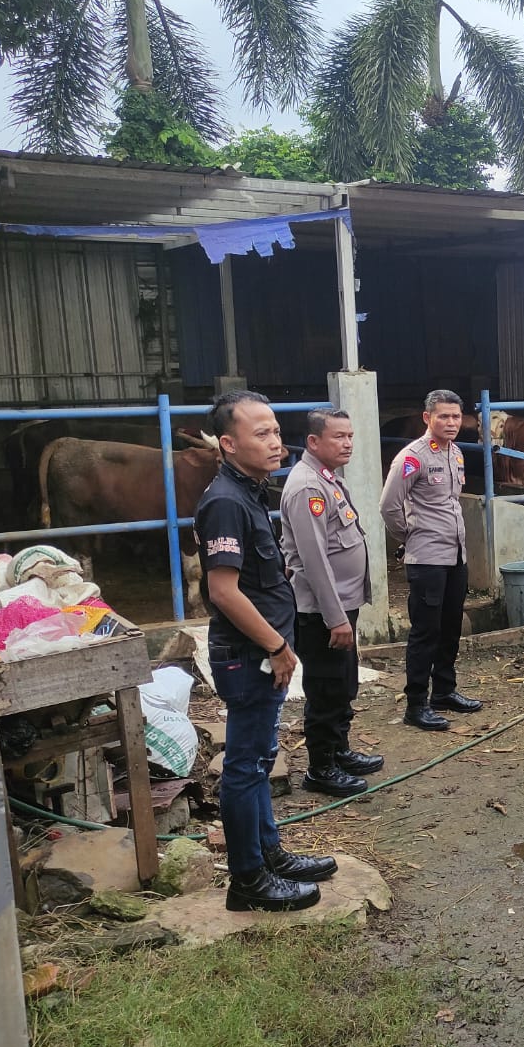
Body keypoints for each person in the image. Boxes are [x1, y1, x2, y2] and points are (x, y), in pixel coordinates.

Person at [195, 390, 337, 912]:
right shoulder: (226, 502)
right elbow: (224, 591)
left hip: (260, 652)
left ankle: (268, 853)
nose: (276, 441)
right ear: (229, 443)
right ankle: (248, 880)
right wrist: (277, 645)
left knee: (257, 759)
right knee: (245, 765)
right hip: (247, 653)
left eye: (277, 431)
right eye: (262, 433)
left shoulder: (249, 491)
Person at [279, 408, 385, 798]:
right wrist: (336, 617)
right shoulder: (308, 487)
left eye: (351, 436)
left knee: (342, 684)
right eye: (339, 436)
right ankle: (320, 768)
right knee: (325, 688)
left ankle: (339, 751)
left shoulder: (327, 479)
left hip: (340, 607)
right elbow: (314, 561)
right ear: (313, 441)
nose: (348, 444)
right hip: (323, 612)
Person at [380, 389, 482, 732]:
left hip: (455, 556)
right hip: (426, 559)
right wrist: (409, 536)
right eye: (443, 417)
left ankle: (444, 692)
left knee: (451, 627)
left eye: (455, 417)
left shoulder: (455, 453)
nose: (451, 423)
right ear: (428, 418)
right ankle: (415, 705)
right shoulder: (412, 457)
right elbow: (389, 505)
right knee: (426, 632)